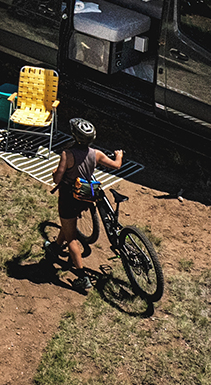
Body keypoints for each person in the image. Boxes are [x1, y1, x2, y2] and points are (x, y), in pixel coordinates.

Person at [45, 118, 124, 293]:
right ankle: (55, 247)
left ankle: (82, 277)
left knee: (71, 237)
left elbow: (58, 178)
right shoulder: (96, 154)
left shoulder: (67, 154)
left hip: (68, 197)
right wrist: (119, 156)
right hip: (85, 195)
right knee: (69, 224)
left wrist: (54, 173)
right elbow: (117, 165)